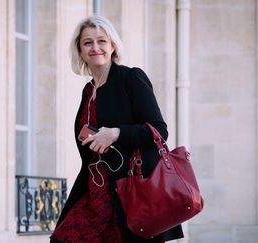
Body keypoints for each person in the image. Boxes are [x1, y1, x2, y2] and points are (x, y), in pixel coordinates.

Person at [50, 15, 184, 243]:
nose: (95, 47)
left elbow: (159, 130)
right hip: (94, 190)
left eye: (102, 41)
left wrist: (116, 134)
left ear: (112, 45)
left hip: (128, 189)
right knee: (62, 238)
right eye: (88, 42)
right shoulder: (88, 91)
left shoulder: (130, 78)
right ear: (80, 50)